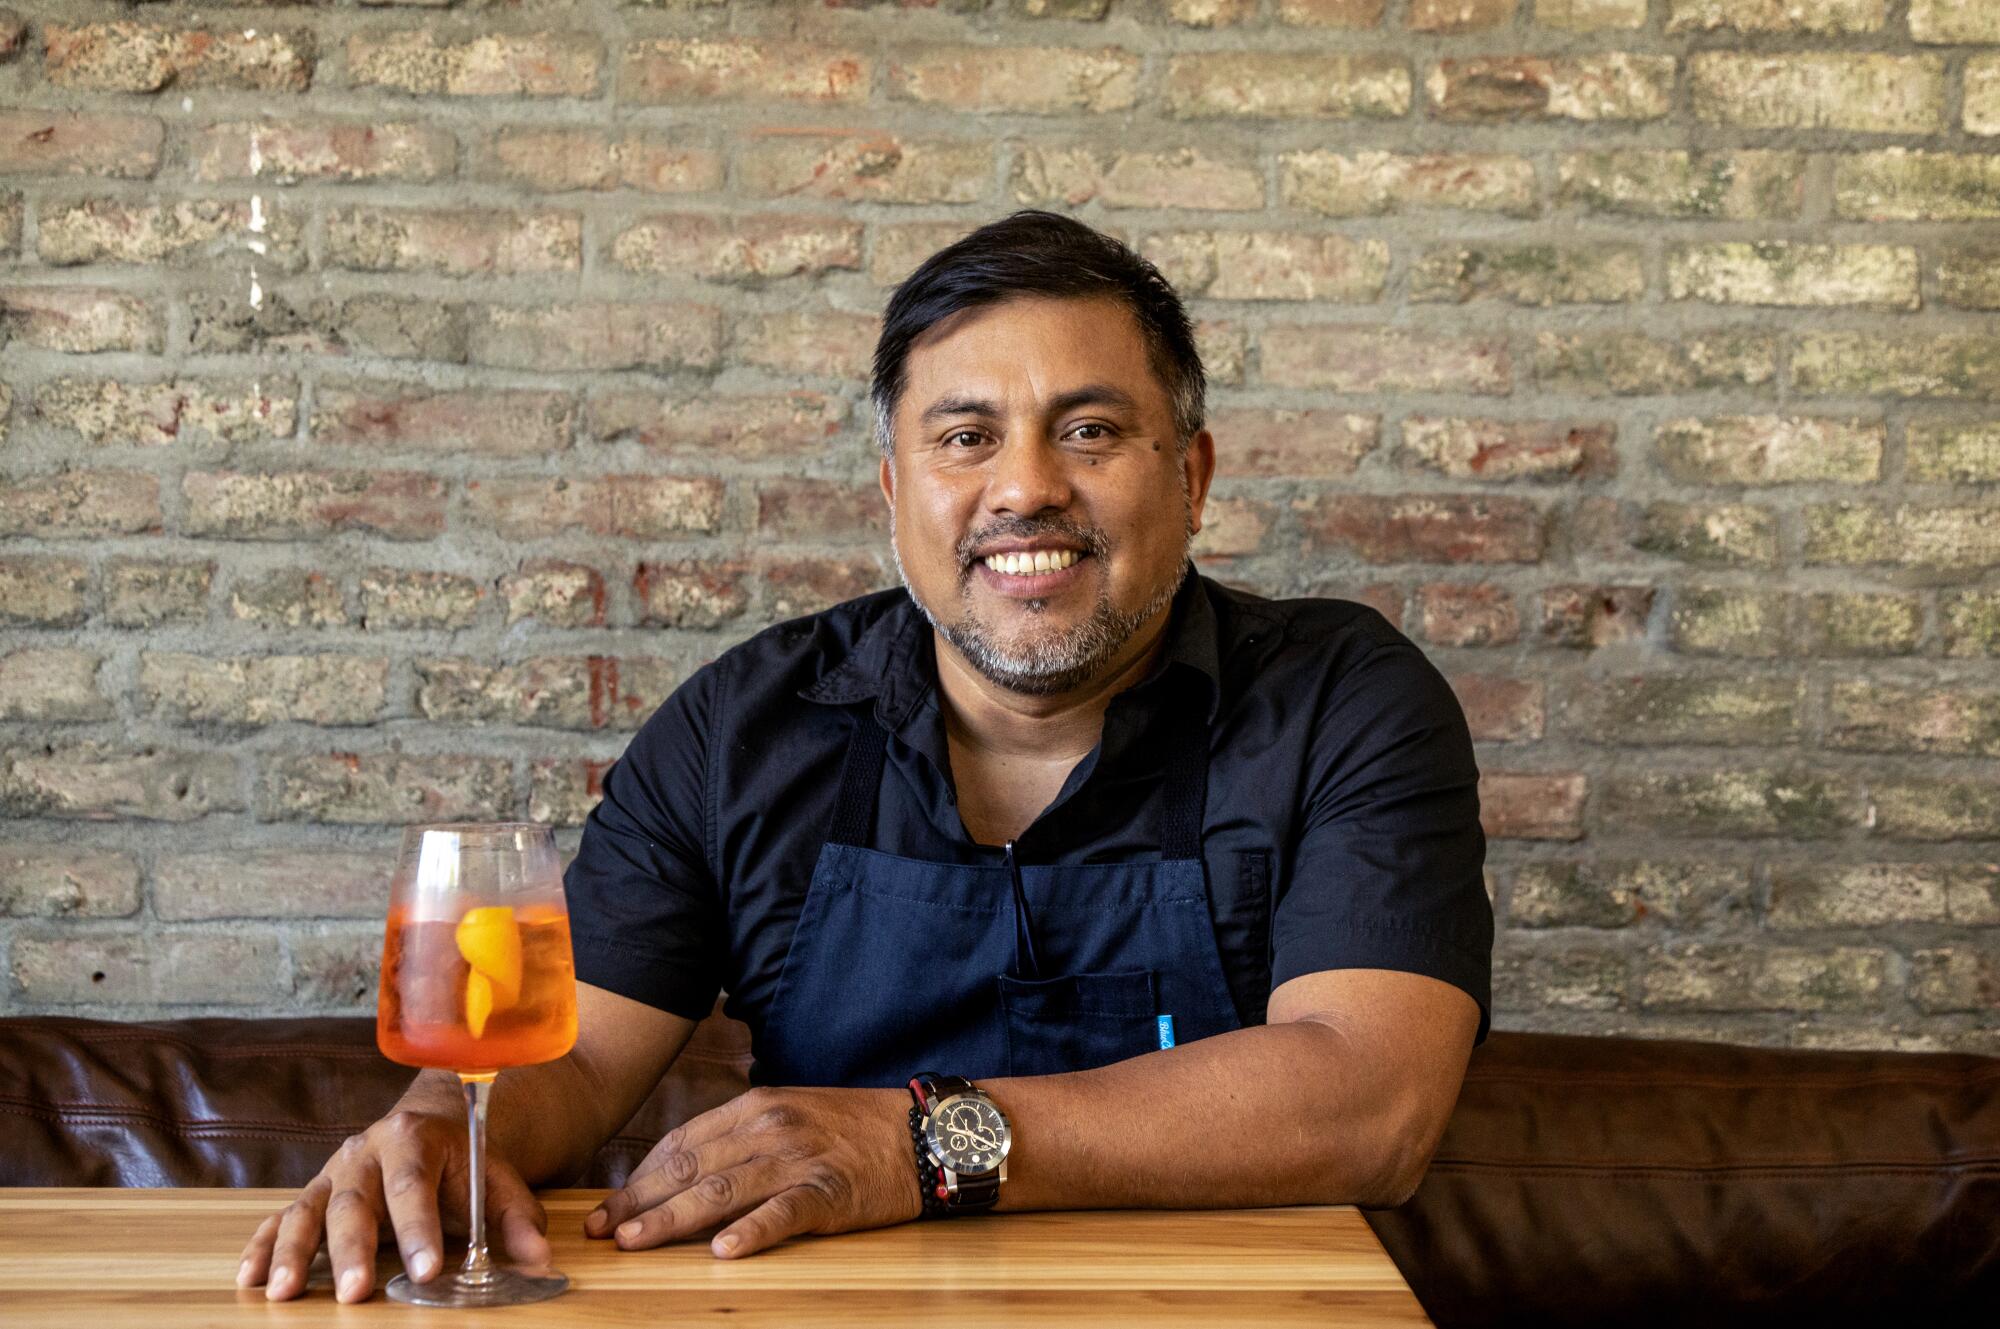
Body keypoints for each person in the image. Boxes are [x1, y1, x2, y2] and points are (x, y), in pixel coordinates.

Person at [239, 209, 1492, 1303]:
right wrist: (431, 1144)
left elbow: (1366, 1098)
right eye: (963, 439)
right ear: (891, 490)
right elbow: (567, 1055)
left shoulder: (1341, 700)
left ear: (1193, 475)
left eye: (1092, 431)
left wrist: (918, 1142)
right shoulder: (744, 731)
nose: (1024, 490)